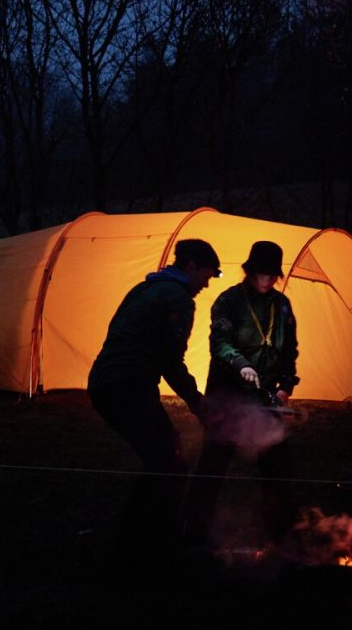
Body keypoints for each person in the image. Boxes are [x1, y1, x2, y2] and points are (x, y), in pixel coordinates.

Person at [87, 238, 222, 564]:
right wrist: (197, 403)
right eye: (206, 274)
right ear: (190, 266)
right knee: (170, 461)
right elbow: (170, 360)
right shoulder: (177, 298)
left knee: (162, 458)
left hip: (104, 382)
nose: (206, 283)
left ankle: (134, 542)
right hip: (126, 385)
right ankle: (155, 548)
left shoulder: (143, 289)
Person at [183, 239, 300, 550]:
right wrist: (241, 365)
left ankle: (281, 538)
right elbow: (219, 342)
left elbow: (289, 349)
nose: (268, 279)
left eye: (273, 274)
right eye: (263, 273)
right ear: (251, 271)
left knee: (278, 468)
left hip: (265, 402)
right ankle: (194, 533)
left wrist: (286, 386)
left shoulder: (283, 305)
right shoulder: (228, 301)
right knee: (214, 465)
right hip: (228, 397)